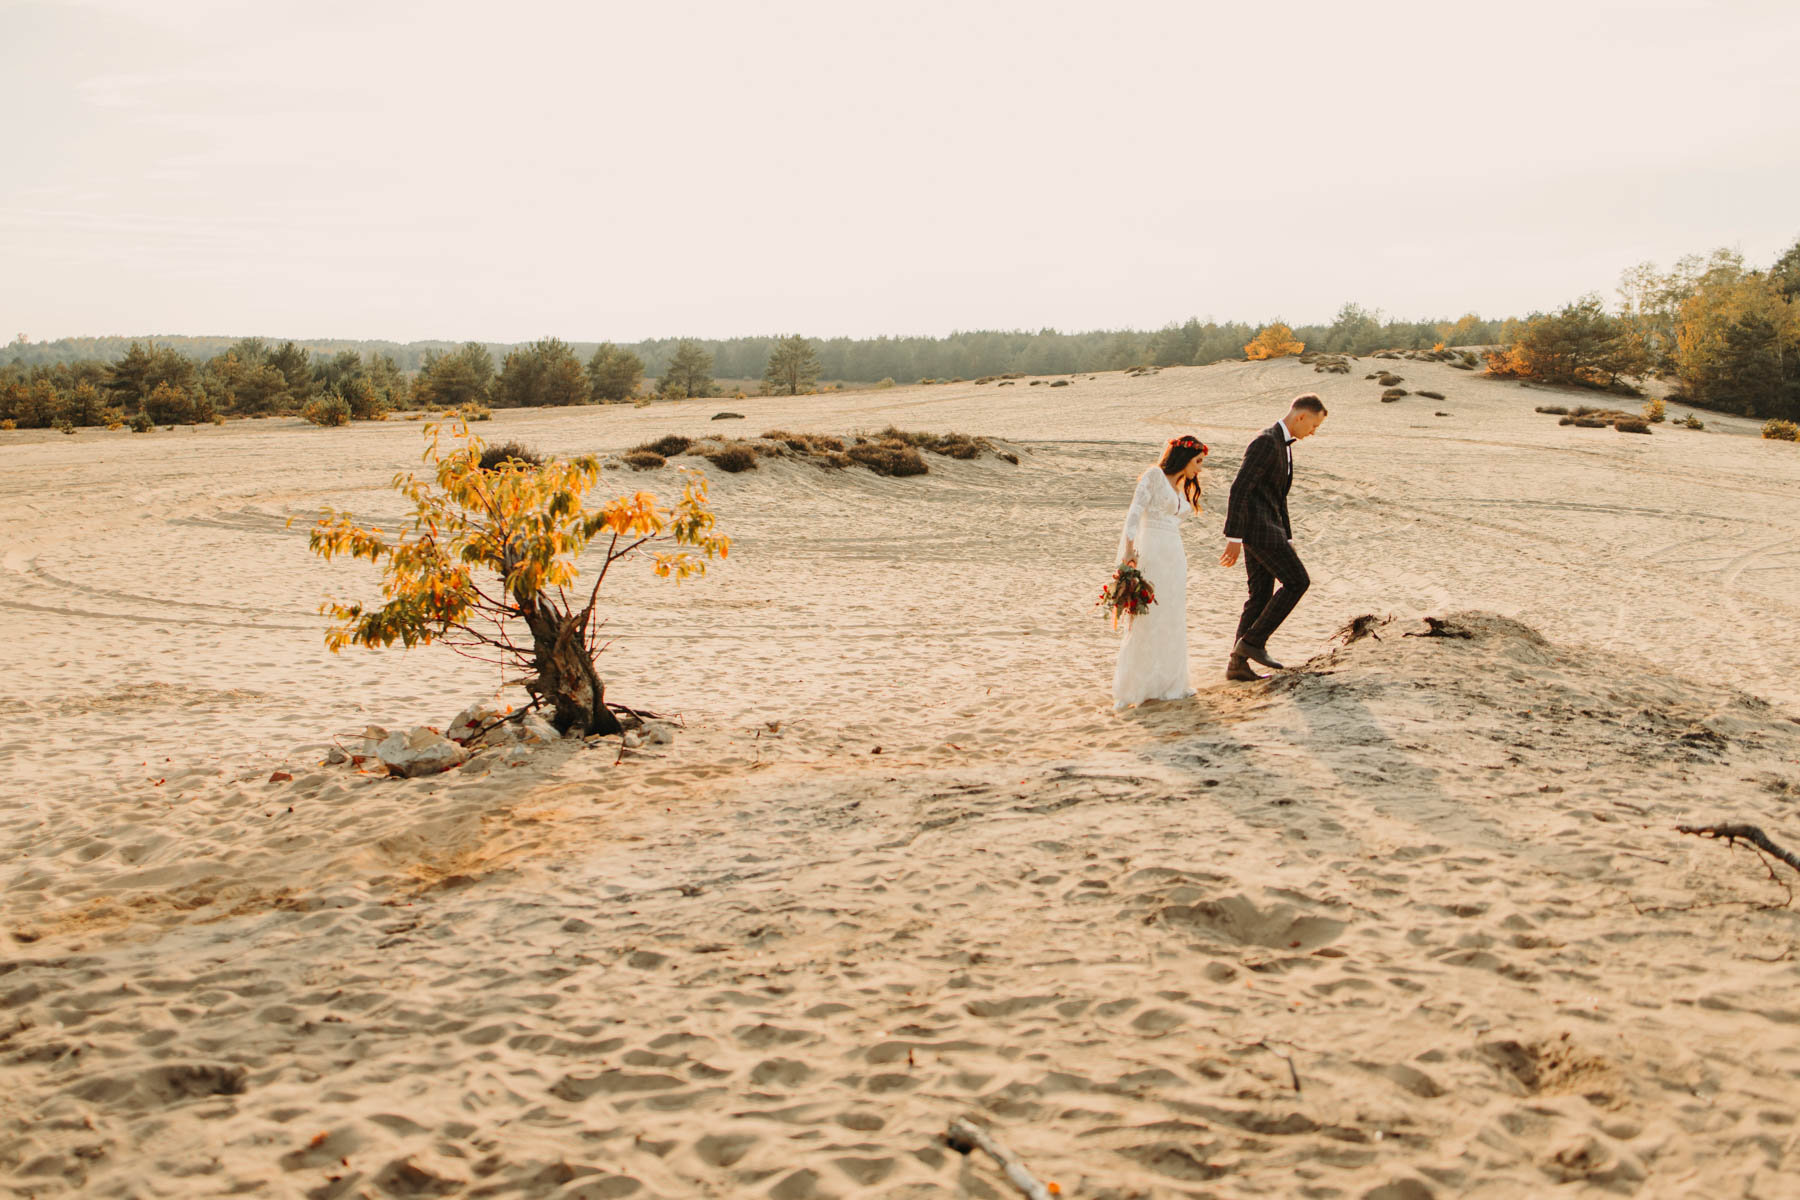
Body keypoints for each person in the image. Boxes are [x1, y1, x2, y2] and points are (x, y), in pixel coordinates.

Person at [1219, 394, 1328, 682]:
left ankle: (1237, 665)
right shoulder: (1266, 441)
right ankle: (1253, 642)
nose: (1313, 432)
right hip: (1258, 530)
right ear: (1301, 416)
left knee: (1259, 596)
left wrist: (1288, 537)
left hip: (1270, 529)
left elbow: (1278, 498)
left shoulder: (1285, 445)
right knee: (1297, 581)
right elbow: (1240, 488)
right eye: (1314, 425)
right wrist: (1234, 536)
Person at [1113, 434, 1208, 710]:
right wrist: (1129, 551)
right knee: (1149, 616)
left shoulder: (1179, 487)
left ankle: (1171, 683)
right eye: (1198, 461)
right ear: (1184, 457)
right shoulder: (1154, 476)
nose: (1199, 468)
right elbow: (1135, 512)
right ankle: (1138, 685)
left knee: (1172, 614)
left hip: (1174, 554)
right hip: (1152, 549)